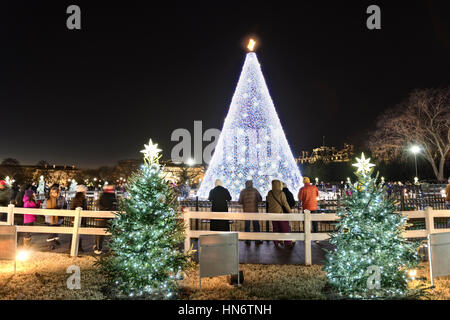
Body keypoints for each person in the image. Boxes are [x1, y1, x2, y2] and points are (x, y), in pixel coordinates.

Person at [266, 179, 292, 247]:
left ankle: (276, 242)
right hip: (280, 213)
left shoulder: (270, 193)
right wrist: (290, 211)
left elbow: (268, 201)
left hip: (272, 213)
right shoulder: (281, 193)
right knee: (285, 228)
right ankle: (288, 243)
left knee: (275, 228)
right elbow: (285, 203)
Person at [43, 184, 68, 250]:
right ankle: (51, 244)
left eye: (55, 192)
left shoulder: (62, 199)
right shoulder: (47, 200)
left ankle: (55, 240)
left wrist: (63, 212)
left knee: (56, 231)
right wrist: (49, 213)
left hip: (59, 218)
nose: (54, 194)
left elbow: (66, 206)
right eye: (52, 192)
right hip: (49, 219)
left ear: (58, 192)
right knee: (51, 232)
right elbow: (44, 208)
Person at [94, 185, 117, 255]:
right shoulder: (113, 197)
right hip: (111, 217)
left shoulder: (102, 196)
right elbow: (115, 206)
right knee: (112, 233)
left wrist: (104, 210)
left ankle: (98, 248)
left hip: (102, 217)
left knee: (100, 234)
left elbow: (98, 204)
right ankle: (112, 248)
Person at [238, 180, 262, 245]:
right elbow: (260, 199)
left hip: (246, 211)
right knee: (256, 225)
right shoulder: (255, 190)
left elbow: (240, 201)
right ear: (252, 184)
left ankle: (248, 240)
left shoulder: (243, 191)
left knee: (247, 226)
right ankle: (257, 240)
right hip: (254, 211)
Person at [69, 185, 88, 252]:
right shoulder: (82, 198)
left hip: (75, 218)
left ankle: (73, 246)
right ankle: (77, 247)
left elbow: (72, 207)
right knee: (78, 233)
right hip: (80, 217)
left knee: (75, 233)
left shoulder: (76, 198)